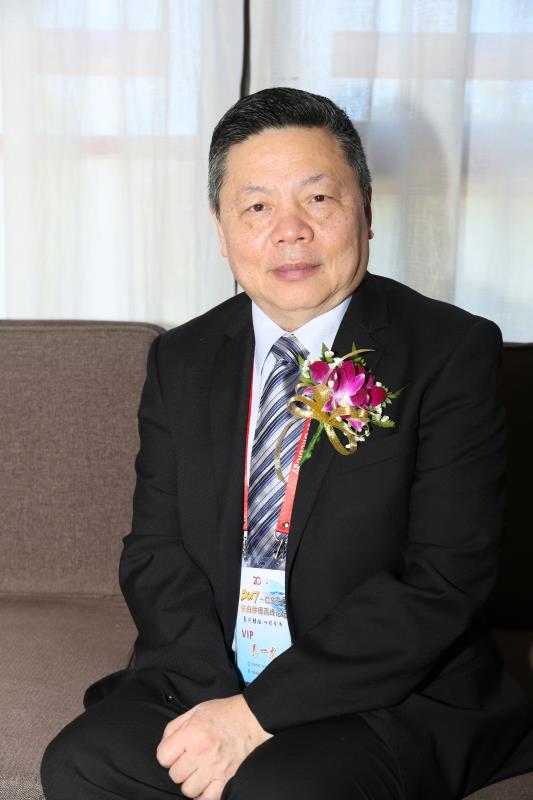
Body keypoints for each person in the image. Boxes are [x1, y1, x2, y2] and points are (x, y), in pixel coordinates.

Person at [40, 87, 533, 800]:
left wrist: (255, 718)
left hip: (386, 692)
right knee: (82, 761)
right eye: (256, 207)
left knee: (276, 788)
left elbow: (441, 581)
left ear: (367, 210)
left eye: (318, 199)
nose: (290, 231)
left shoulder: (450, 351)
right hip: (212, 676)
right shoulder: (182, 358)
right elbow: (154, 552)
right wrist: (219, 703)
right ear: (221, 230)